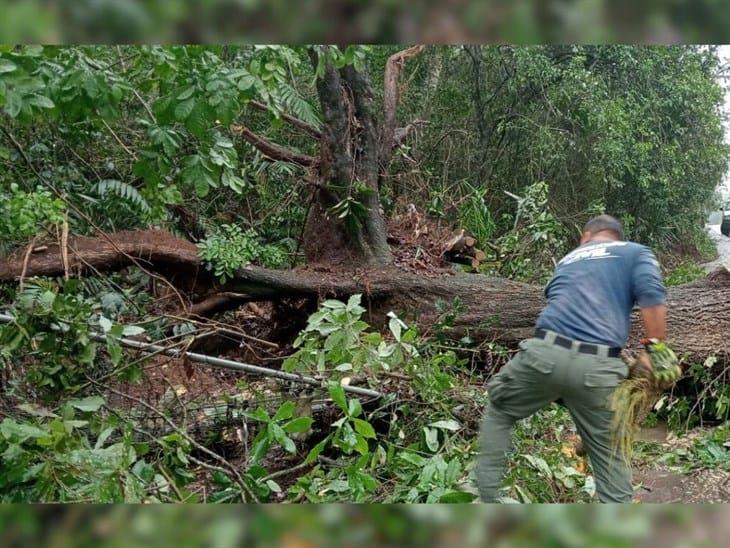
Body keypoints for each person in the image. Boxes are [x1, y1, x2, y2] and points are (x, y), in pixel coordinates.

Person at [476, 214, 669, 503]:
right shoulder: (635, 252)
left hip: (544, 354)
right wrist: (656, 350)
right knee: (610, 453)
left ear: (586, 236)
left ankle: (485, 499)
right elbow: (652, 297)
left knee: (500, 408)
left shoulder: (569, 259)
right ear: (615, 235)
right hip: (599, 366)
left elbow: (558, 300)